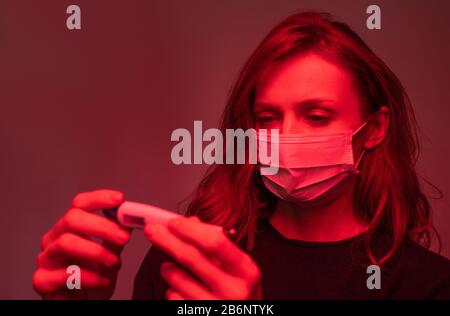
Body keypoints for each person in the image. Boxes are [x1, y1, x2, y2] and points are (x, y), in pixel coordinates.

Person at [33, 11, 450, 300]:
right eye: (267, 117)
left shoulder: (427, 285)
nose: (284, 138)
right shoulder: (189, 261)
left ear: (374, 129)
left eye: (317, 116)